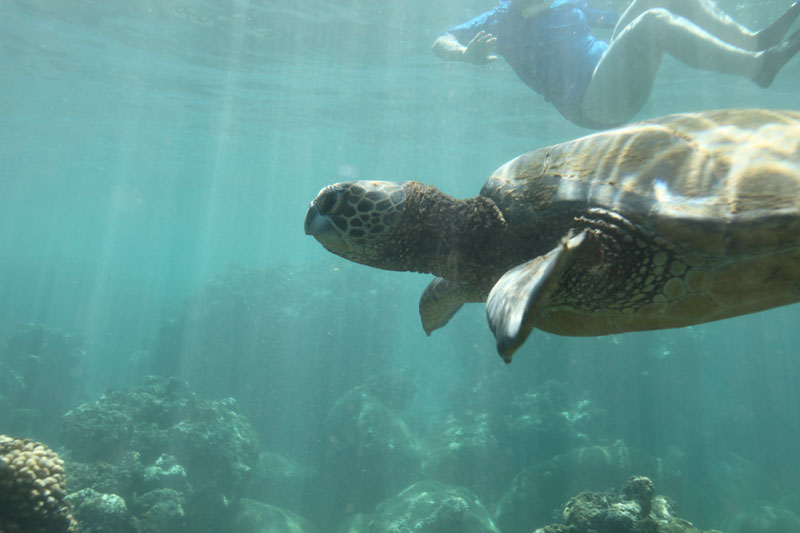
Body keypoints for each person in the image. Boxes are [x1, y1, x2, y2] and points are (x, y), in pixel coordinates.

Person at [433, 0, 800, 128]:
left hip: (610, 72)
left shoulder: (564, 2)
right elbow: (440, 41)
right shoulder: (498, 20)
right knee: (655, 21)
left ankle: (753, 42)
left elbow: (616, 19)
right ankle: (757, 67)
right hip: (592, 105)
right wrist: (466, 55)